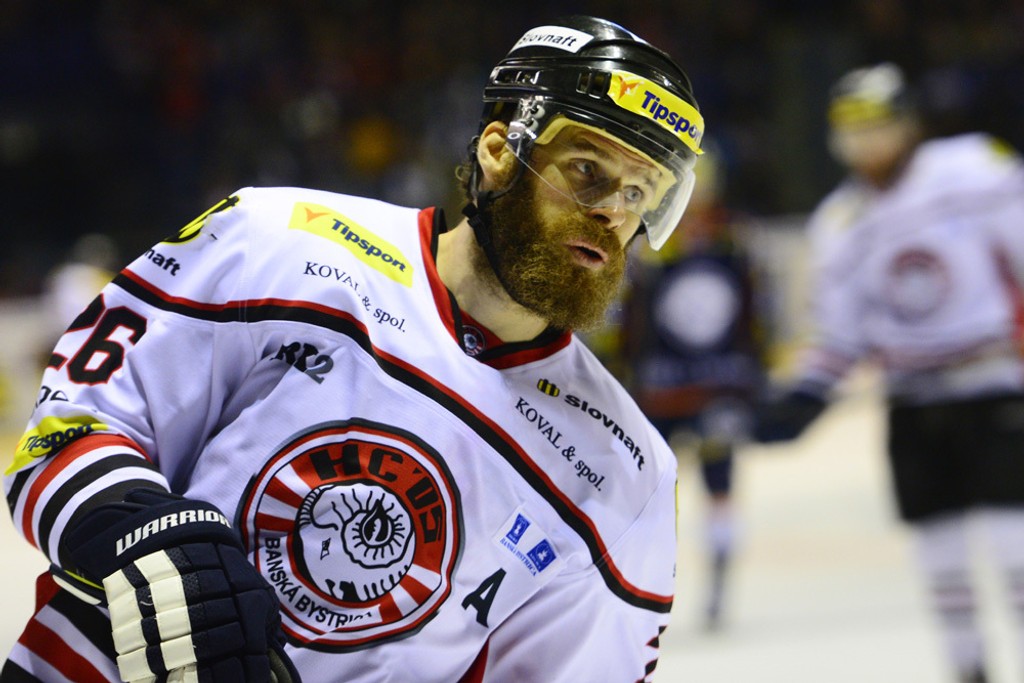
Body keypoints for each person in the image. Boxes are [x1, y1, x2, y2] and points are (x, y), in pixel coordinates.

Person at [1, 16, 705, 683]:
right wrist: (152, 542)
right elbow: (69, 427)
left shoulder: (627, 472)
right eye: (586, 170)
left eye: (640, 192)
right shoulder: (277, 241)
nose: (611, 212)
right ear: (499, 151)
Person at [755, 62, 1024, 683]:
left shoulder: (974, 170)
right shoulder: (840, 221)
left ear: (909, 124)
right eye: (853, 132)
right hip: (913, 404)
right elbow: (839, 334)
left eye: (876, 127)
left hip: (992, 388)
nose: (866, 145)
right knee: (940, 560)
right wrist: (806, 394)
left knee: (1015, 546)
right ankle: (969, 672)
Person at [618, 145, 770, 631]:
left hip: (712, 387)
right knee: (651, 491)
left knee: (718, 485)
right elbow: (628, 317)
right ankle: (647, 586)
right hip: (664, 389)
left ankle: (716, 590)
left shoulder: (733, 240)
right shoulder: (651, 241)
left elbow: (757, 312)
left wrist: (757, 374)